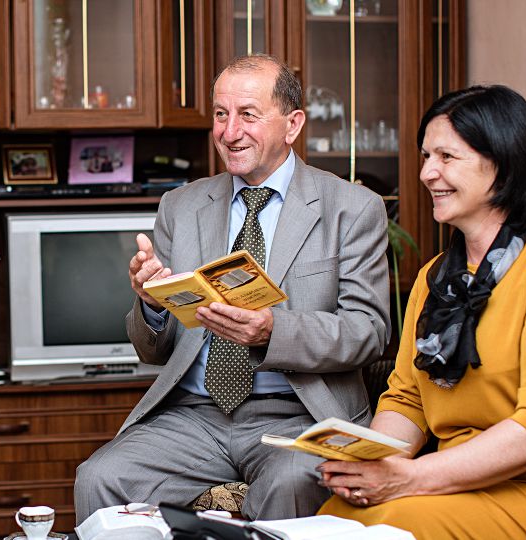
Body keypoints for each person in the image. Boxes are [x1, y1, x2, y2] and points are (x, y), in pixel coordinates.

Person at [74, 54, 391, 522]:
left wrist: (271, 332)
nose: (229, 131)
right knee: (100, 476)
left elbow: (369, 332)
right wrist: (151, 303)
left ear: (293, 123)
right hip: (194, 416)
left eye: (248, 114)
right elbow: (153, 351)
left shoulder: (352, 208)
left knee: (290, 483)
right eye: (221, 114)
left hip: (298, 414)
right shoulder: (180, 206)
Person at [317, 85, 526, 538]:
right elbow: (407, 400)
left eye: (446, 157)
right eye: (425, 157)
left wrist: (410, 479)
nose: (426, 173)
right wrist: (370, 463)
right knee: (333, 516)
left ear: (502, 164)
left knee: (393, 524)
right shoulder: (433, 277)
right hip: (456, 483)